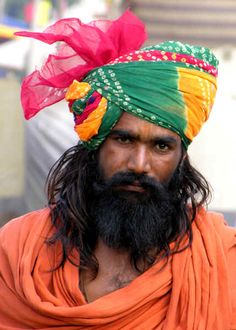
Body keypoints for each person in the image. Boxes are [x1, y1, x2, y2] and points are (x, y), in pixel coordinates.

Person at [0, 10, 235, 329]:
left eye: (161, 147)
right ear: (94, 146)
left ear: (182, 158)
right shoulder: (17, 252)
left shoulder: (222, 260)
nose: (139, 165)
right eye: (123, 140)